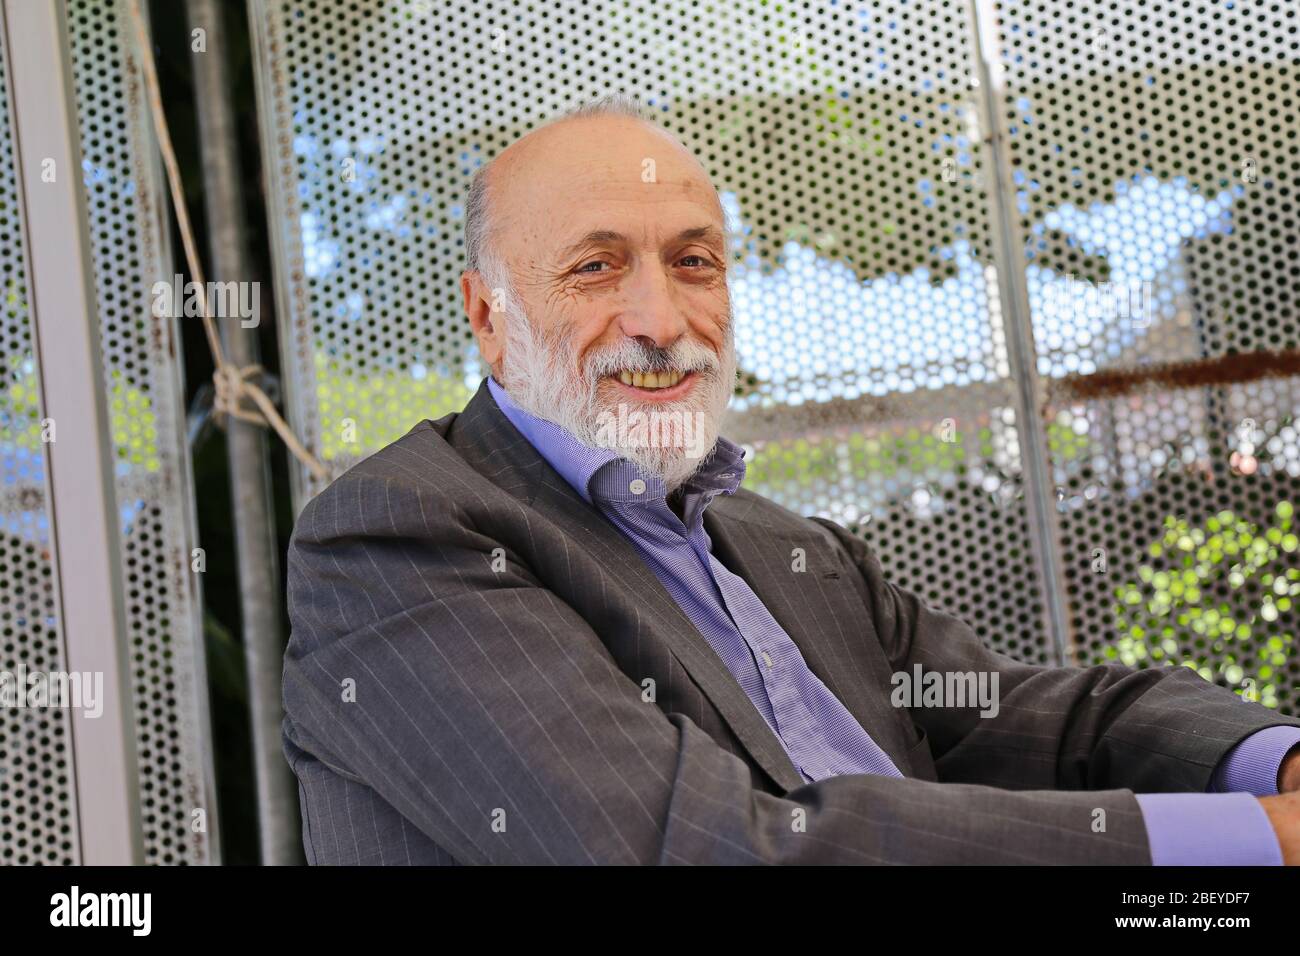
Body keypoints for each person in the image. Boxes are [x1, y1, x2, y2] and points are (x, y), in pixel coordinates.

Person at [282, 93, 1300, 865]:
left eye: (692, 261)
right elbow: (682, 842)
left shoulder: (780, 544)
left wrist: (1267, 762)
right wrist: (1239, 840)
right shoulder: (395, 532)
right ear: (487, 315)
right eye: (595, 267)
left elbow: (1039, 717)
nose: (660, 319)